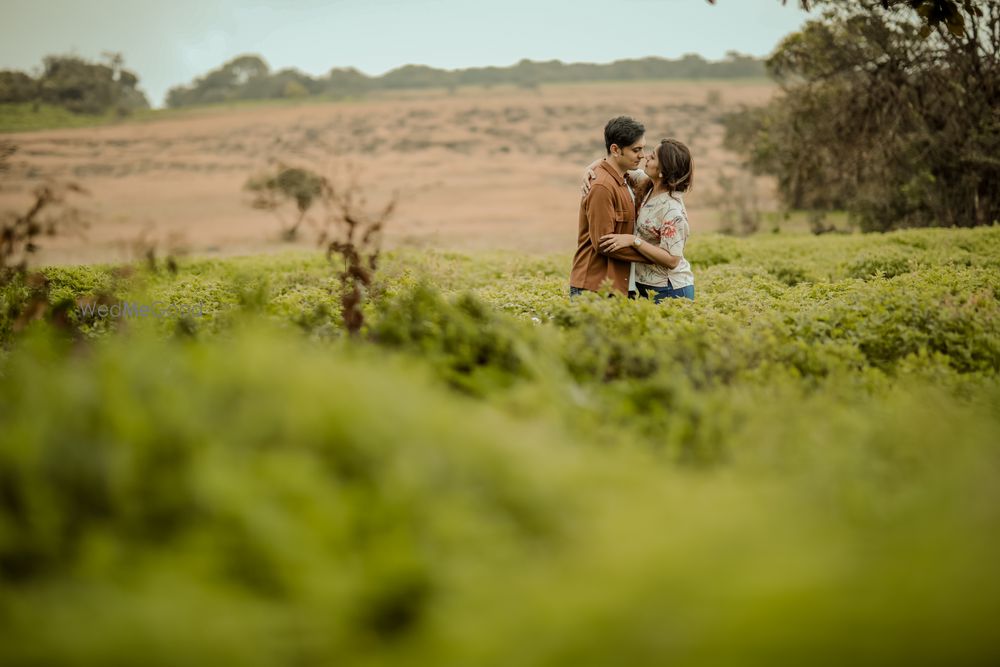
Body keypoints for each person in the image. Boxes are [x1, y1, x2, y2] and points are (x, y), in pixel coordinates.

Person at [595, 138, 695, 302]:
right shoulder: (647, 184)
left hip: (669, 289)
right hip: (645, 286)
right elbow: (612, 164)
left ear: (663, 171)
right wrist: (589, 171)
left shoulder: (671, 210)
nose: (646, 157)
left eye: (653, 157)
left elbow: (672, 260)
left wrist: (634, 241)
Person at [568, 116, 652, 298]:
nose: (642, 155)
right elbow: (604, 243)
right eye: (636, 150)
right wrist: (655, 255)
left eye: (643, 149)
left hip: (618, 286)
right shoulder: (602, 187)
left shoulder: (626, 178)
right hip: (596, 289)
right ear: (615, 149)